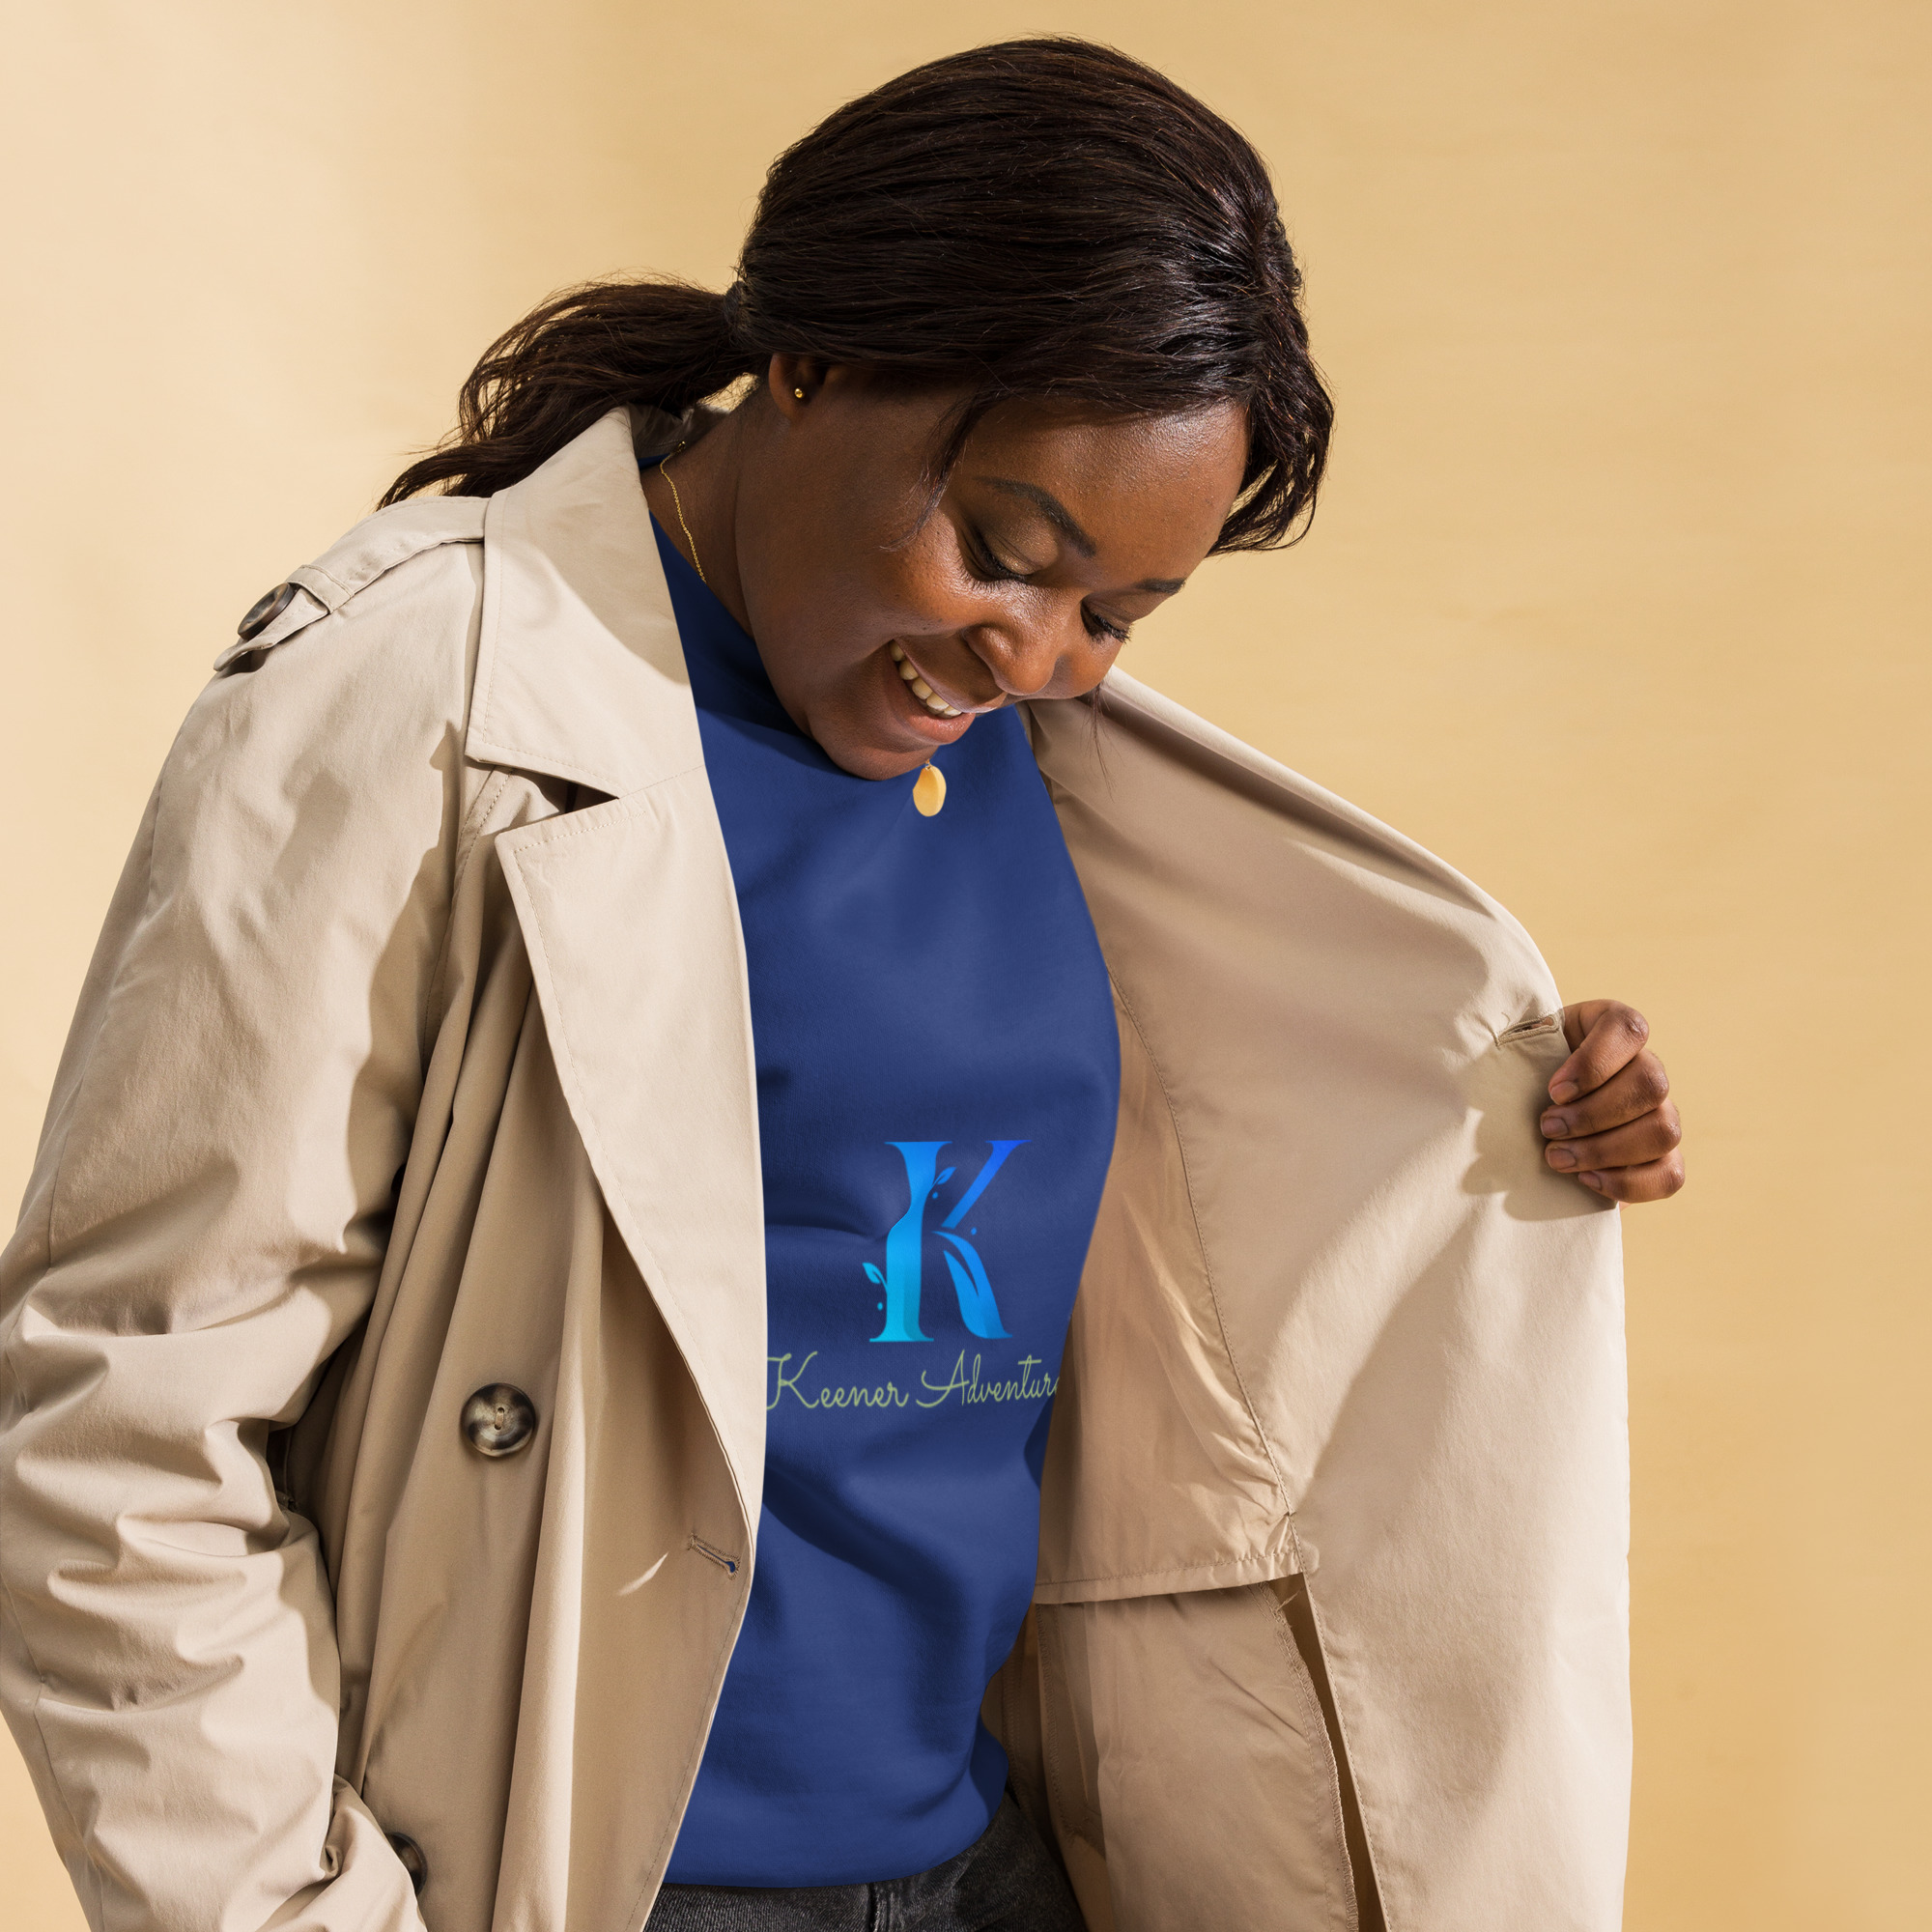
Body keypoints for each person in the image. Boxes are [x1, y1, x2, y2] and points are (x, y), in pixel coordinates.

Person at [0, 37, 1681, 1932]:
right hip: (601, 1880)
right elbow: (119, 1427)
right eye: (1007, 550)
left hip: (995, 1861)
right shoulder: (416, 700)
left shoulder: (1050, 769)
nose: (1035, 652)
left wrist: (1499, 1111)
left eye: (1118, 614)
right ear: (812, 362)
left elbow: (1205, 1243)